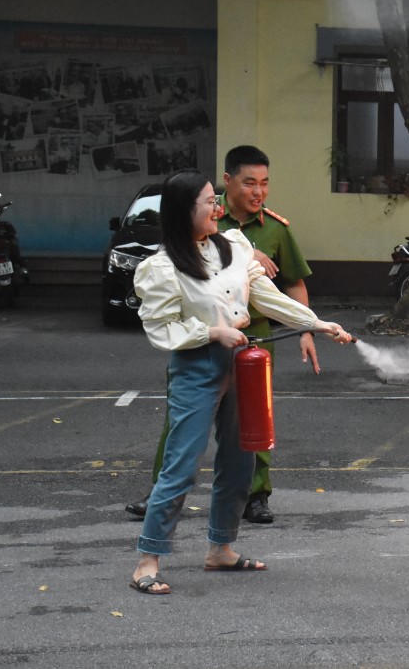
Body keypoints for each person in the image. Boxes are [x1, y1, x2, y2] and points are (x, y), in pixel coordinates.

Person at [127, 170, 352, 595]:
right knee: (182, 464)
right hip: (197, 364)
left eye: (216, 201)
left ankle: (221, 549)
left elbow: (267, 297)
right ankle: (147, 561)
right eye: (209, 203)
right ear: (183, 211)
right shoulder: (162, 267)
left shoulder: (233, 246)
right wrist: (214, 332)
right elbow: (161, 328)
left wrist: (316, 324)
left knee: (241, 458)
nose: (218, 209)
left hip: (243, 362)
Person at [126, 145, 317, 524]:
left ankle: (254, 495)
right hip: (203, 338)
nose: (258, 192)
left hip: (254, 336)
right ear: (227, 181)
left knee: (253, 420)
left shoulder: (275, 228)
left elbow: (292, 283)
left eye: (264, 183)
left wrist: (308, 329)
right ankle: (163, 492)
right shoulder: (202, 221)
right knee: (183, 422)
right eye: (249, 183)